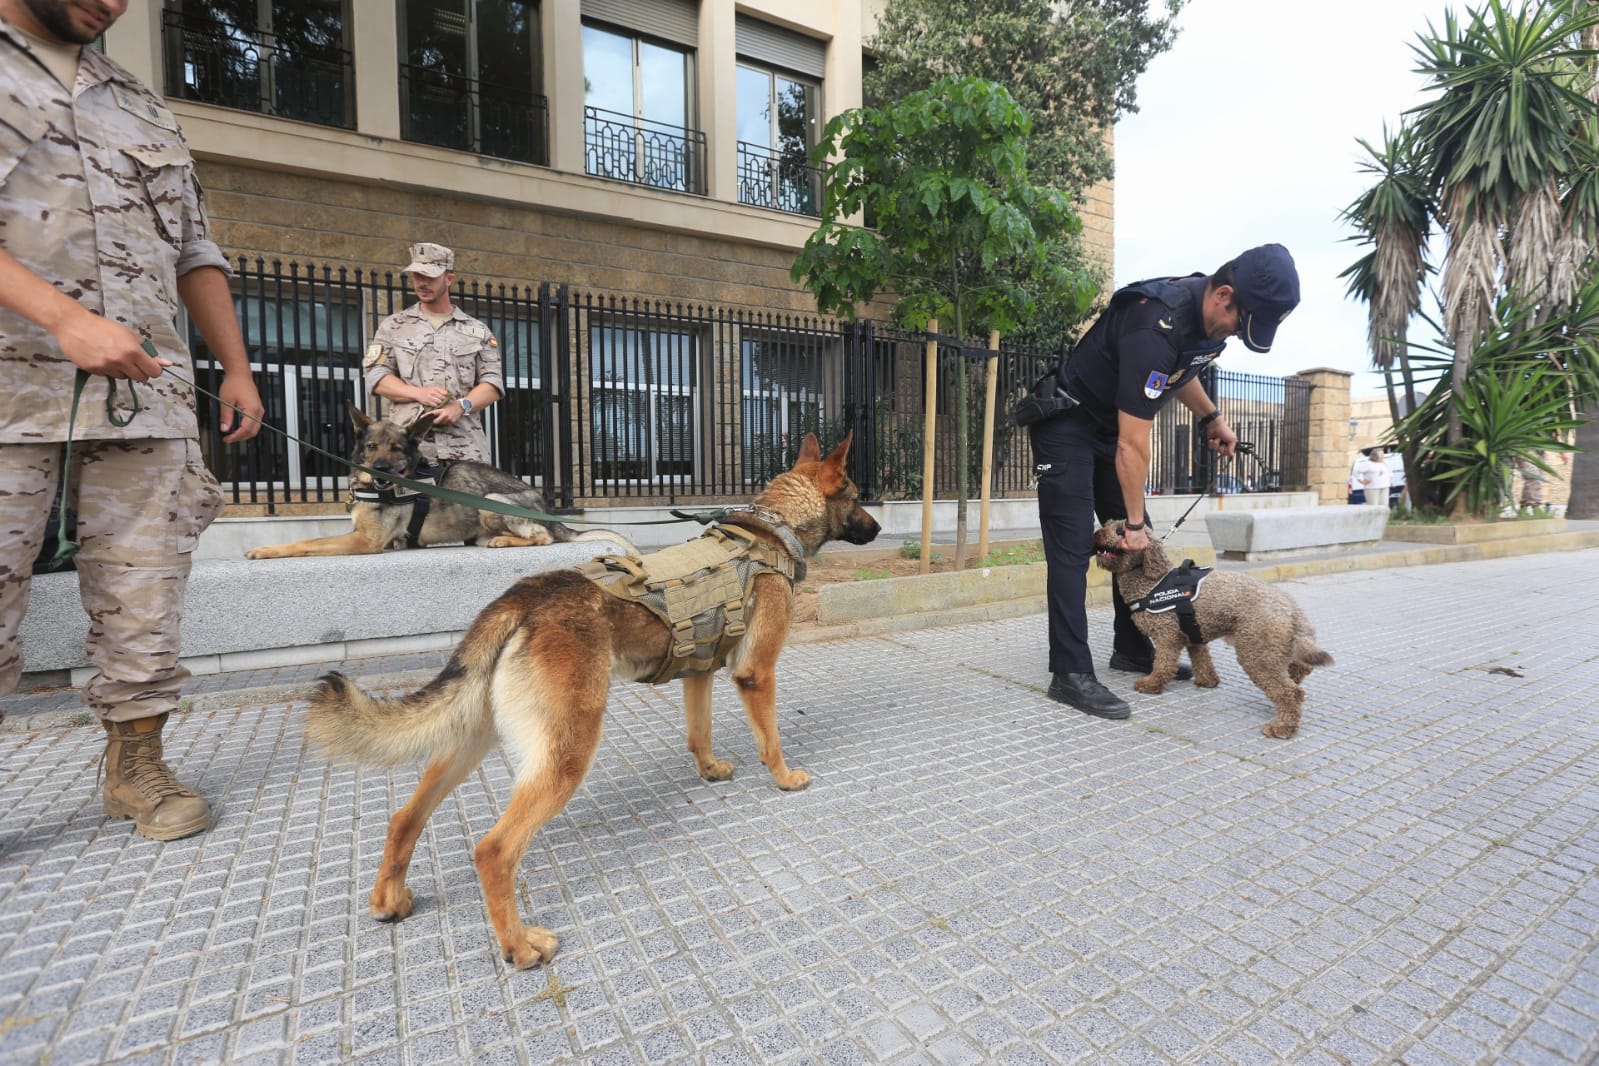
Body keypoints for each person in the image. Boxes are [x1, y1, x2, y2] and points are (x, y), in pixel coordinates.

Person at [0, 0, 265, 839]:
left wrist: (235, 368)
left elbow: (194, 248)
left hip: (145, 391)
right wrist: (66, 320)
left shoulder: (140, 102)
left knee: (145, 583)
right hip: (10, 387)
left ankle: (137, 765)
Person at [1024, 244, 1300, 721]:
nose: (1236, 335)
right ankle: (1070, 673)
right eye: (1240, 323)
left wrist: (1211, 416)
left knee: (1139, 548)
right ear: (1224, 295)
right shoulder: (1155, 322)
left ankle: (1133, 648)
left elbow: (1181, 371)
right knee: (1076, 548)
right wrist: (1132, 524)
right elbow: (1134, 444)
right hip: (1067, 424)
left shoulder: (1206, 326)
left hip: (1111, 429)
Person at [363, 243, 503, 464]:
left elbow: (493, 383)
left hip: (466, 450)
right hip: (408, 451)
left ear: (449, 279)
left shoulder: (477, 330)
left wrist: (461, 406)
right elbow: (376, 377)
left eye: (430, 277)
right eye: (417, 276)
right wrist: (418, 394)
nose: (422, 283)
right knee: (409, 500)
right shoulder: (394, 326)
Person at [1514, 445, 1566, 514]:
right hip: (1524, 448)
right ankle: (1535, 507)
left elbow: (1553, 435)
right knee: (1533, 477)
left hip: (1541, 450)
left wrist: (1561, 452)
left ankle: (1523, 508)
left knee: (1535, 480)